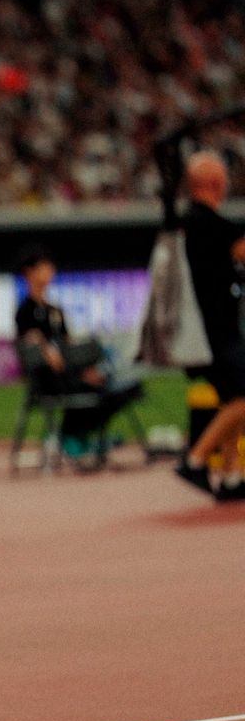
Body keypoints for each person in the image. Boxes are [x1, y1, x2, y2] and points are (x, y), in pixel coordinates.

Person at [15, 250, 144, 455]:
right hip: (50, 381)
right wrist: (55, 357)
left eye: (50, 267)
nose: (50, 272)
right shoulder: (24, 312)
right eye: (44, 267)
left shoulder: (55, 311)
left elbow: (68, 347)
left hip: (69, 375)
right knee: (95, 388)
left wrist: (86, 368)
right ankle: (72, 437)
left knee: (121, 388)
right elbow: (35, 351)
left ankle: (79, 435)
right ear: (29, 272)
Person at [175, 152, 245, 501]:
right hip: (216, 330)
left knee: (234, 398)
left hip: (203, 330)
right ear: (217, 184)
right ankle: (196, 458)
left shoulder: (188, 223)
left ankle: (232, 476)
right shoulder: (213, 226)